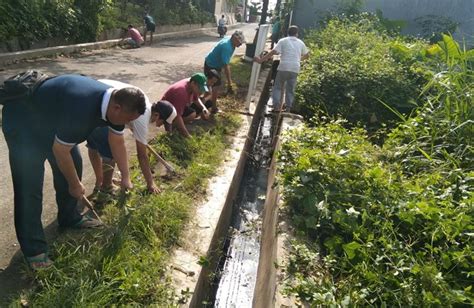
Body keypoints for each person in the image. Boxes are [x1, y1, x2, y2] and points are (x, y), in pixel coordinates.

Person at [1, 74, 146, 269]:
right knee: (30, 185)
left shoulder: (115, 104)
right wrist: (75, 185)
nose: (128, 123)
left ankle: (69, 217)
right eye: (128, 120)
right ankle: (34, 250)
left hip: (50, 120)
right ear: (117, 108)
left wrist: (126, 177)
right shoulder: (83, 107)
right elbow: (61, 150)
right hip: (24, 122)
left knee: (74, 164)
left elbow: (117, 141)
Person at [87, 79, 177, 195]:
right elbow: (142, 156)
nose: (160, 126)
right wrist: (150, 183)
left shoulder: (143, 102)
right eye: (163, 122)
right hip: (102, 106)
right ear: (156, 114)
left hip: (95, 98)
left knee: (94, 146)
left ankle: (100, 182)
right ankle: (106, 186)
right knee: (111, 152)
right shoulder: (142, 117)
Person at [254, 25, 309, 112]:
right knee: (290, 89)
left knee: (277, 87)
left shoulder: (283, 41)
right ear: (297, 34)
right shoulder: (301, 43)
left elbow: (273, 52)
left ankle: (276, 106)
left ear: (288, 33)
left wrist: (261, 60)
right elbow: (307, 55)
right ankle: (288, 108)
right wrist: (298, 60)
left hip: (283, 67)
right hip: (295, 68)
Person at [204, 30, 246, 113]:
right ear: (234, 38)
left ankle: (205, 101)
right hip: (211, 65)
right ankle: (213, 108)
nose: (241, 44)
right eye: (240, 42)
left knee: (210, 85)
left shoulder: (229, 40)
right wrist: (230, 82)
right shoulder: (227, 47)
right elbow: (226, 66)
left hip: (213, 63)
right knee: (215, 86)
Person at [161, 73, 210, 138]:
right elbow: (178, 115)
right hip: (166, 111)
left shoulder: (192, 85)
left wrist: (203, 108)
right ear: (193, 83)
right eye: (200, 88)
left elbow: (196, 98)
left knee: (192, 114)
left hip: (177, 107)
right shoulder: (181, 92)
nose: (201, 91)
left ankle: (176, 126)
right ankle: (169, 126)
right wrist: (187, 135)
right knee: (183, 119)